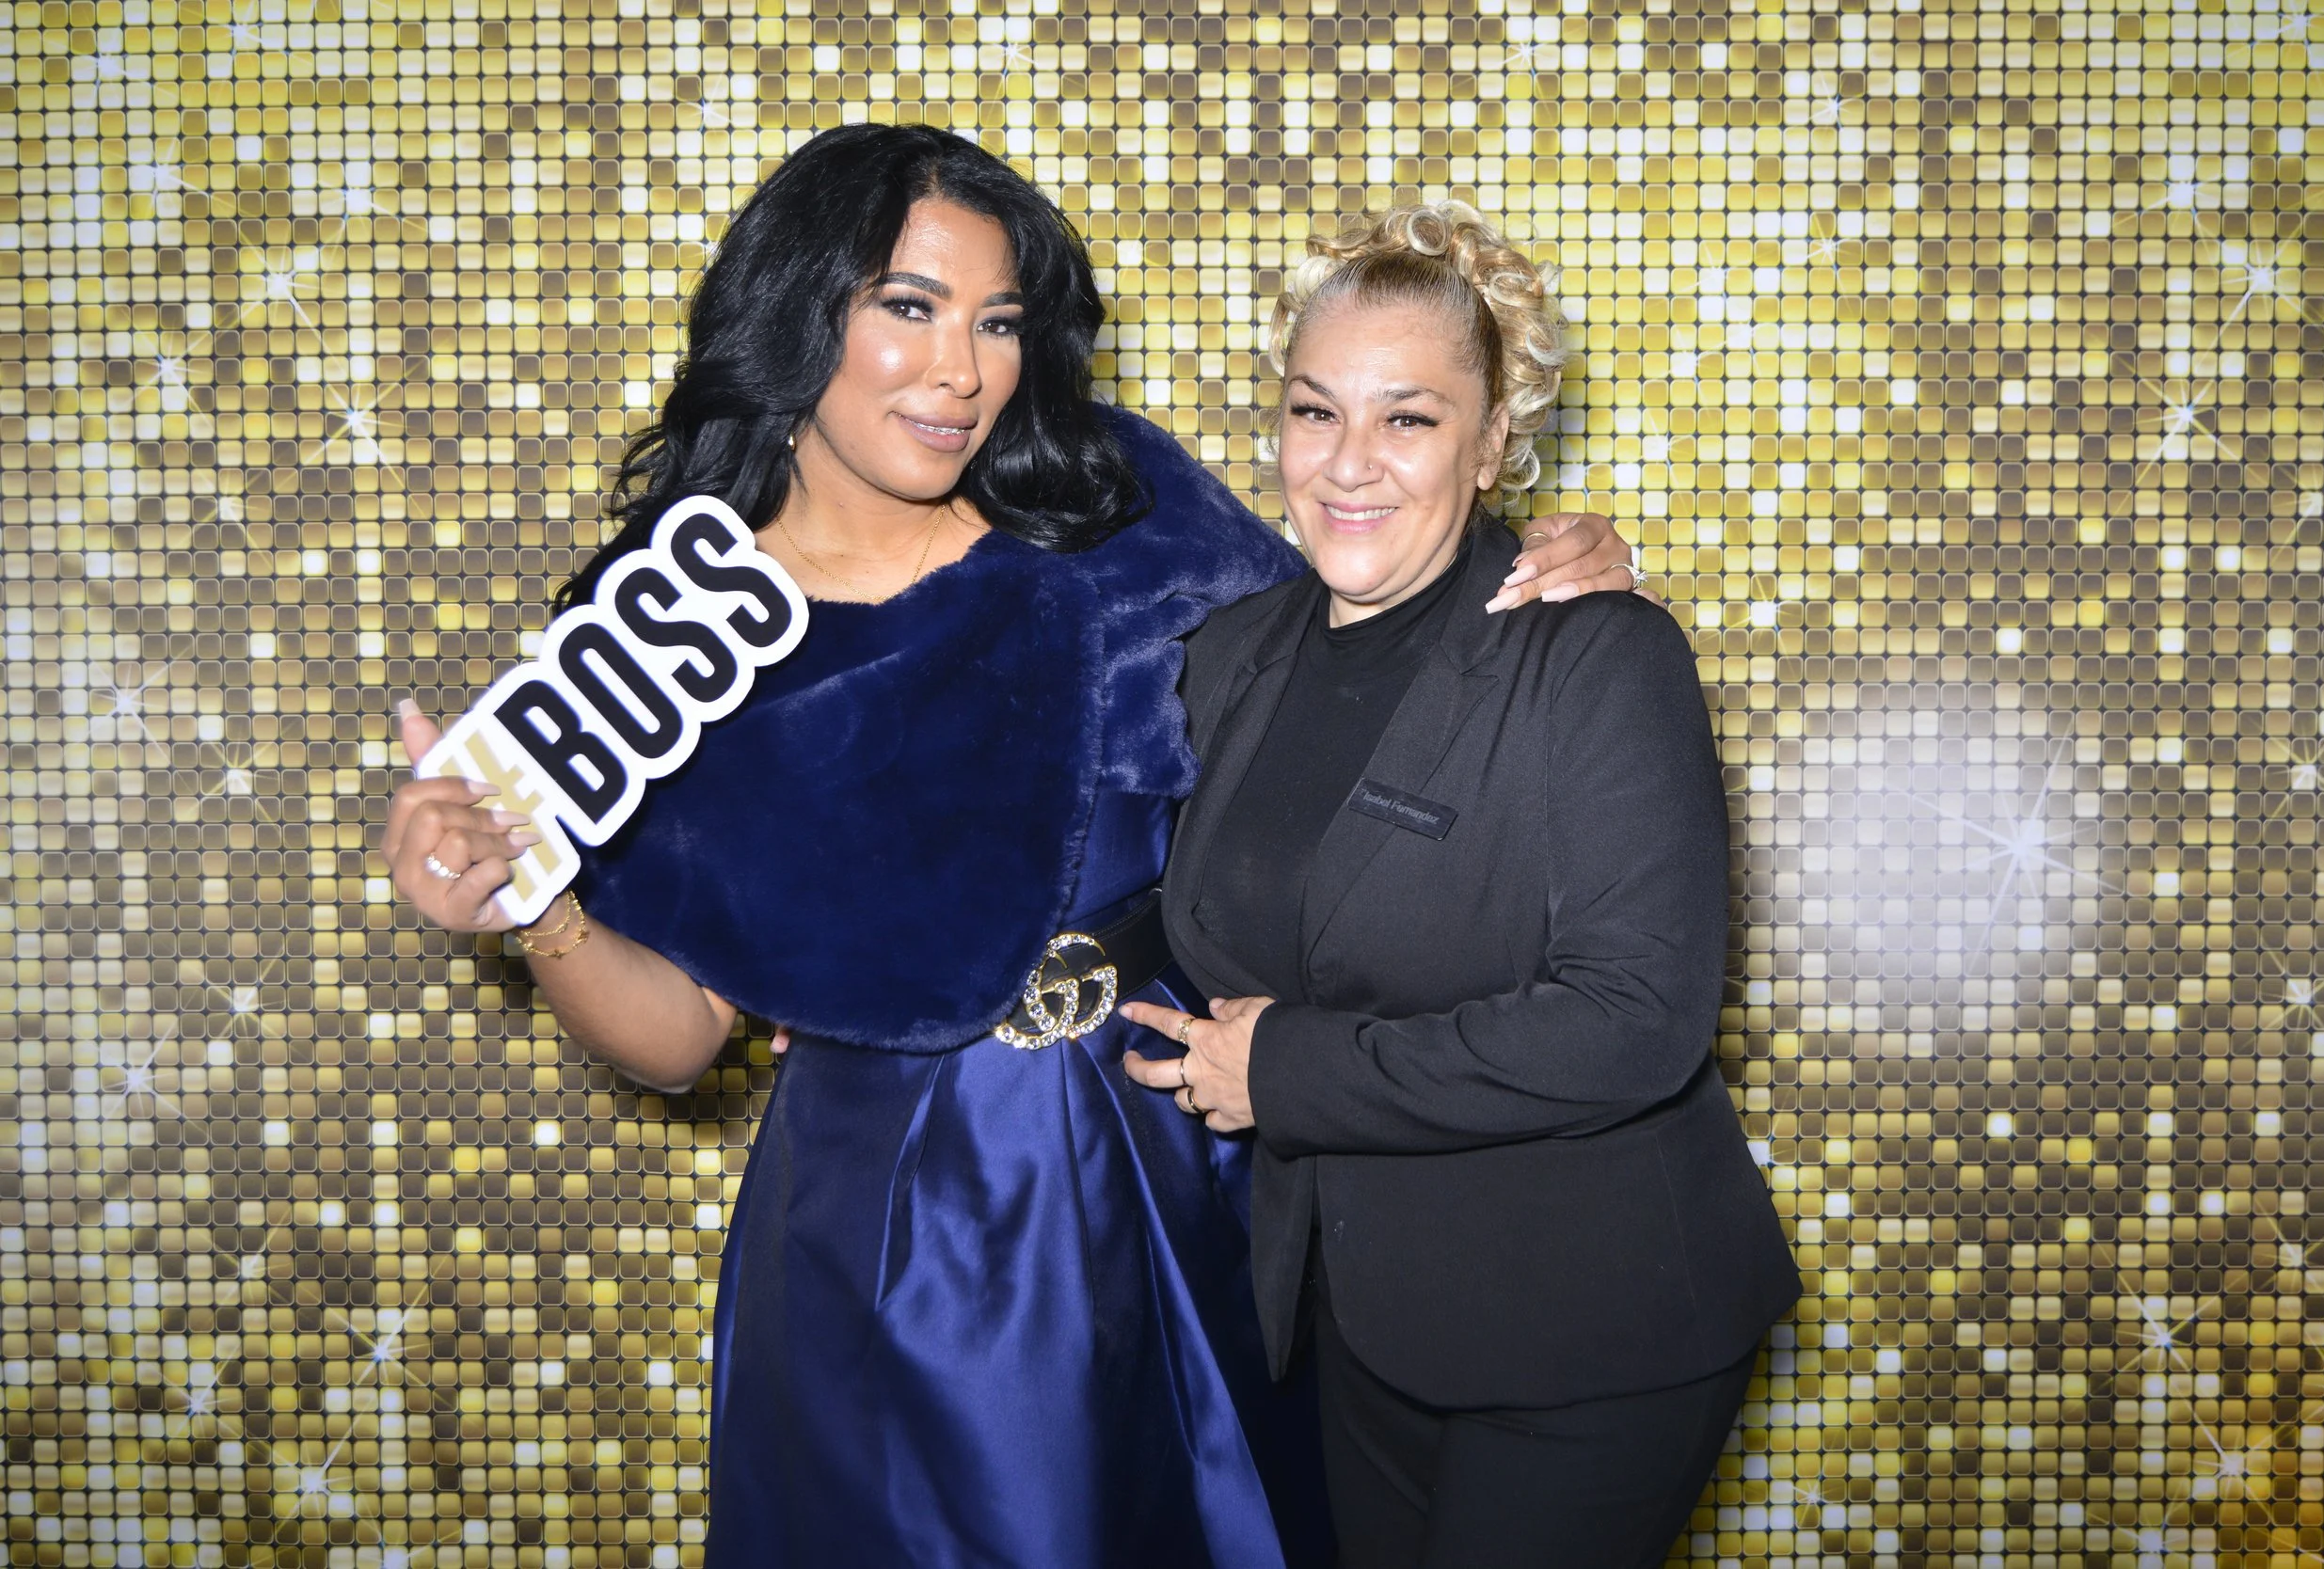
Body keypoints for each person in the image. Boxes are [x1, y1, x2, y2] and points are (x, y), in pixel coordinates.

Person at [379, 132, 1639, 1565]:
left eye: (997, 322)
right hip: (903, 1217)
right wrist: (535, 902)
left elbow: (1357, 658)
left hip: (1206, 1143)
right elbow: (678, 1040)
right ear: (800, 311)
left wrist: (1539, 563)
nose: (965, 371)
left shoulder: (1110, 499)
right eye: (909, 308)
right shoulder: (670, 641)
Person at [1123, 203, 1801, 1569]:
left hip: (1592, 1332)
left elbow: (1635, 1019)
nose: (1349, 465)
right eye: (1316, 413)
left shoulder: (1594, 653)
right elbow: (1117, 876)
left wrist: (1291, 1075)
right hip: (1352, 1318)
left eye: (1410, 419)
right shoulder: (1233, 652)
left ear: (1495, 442)